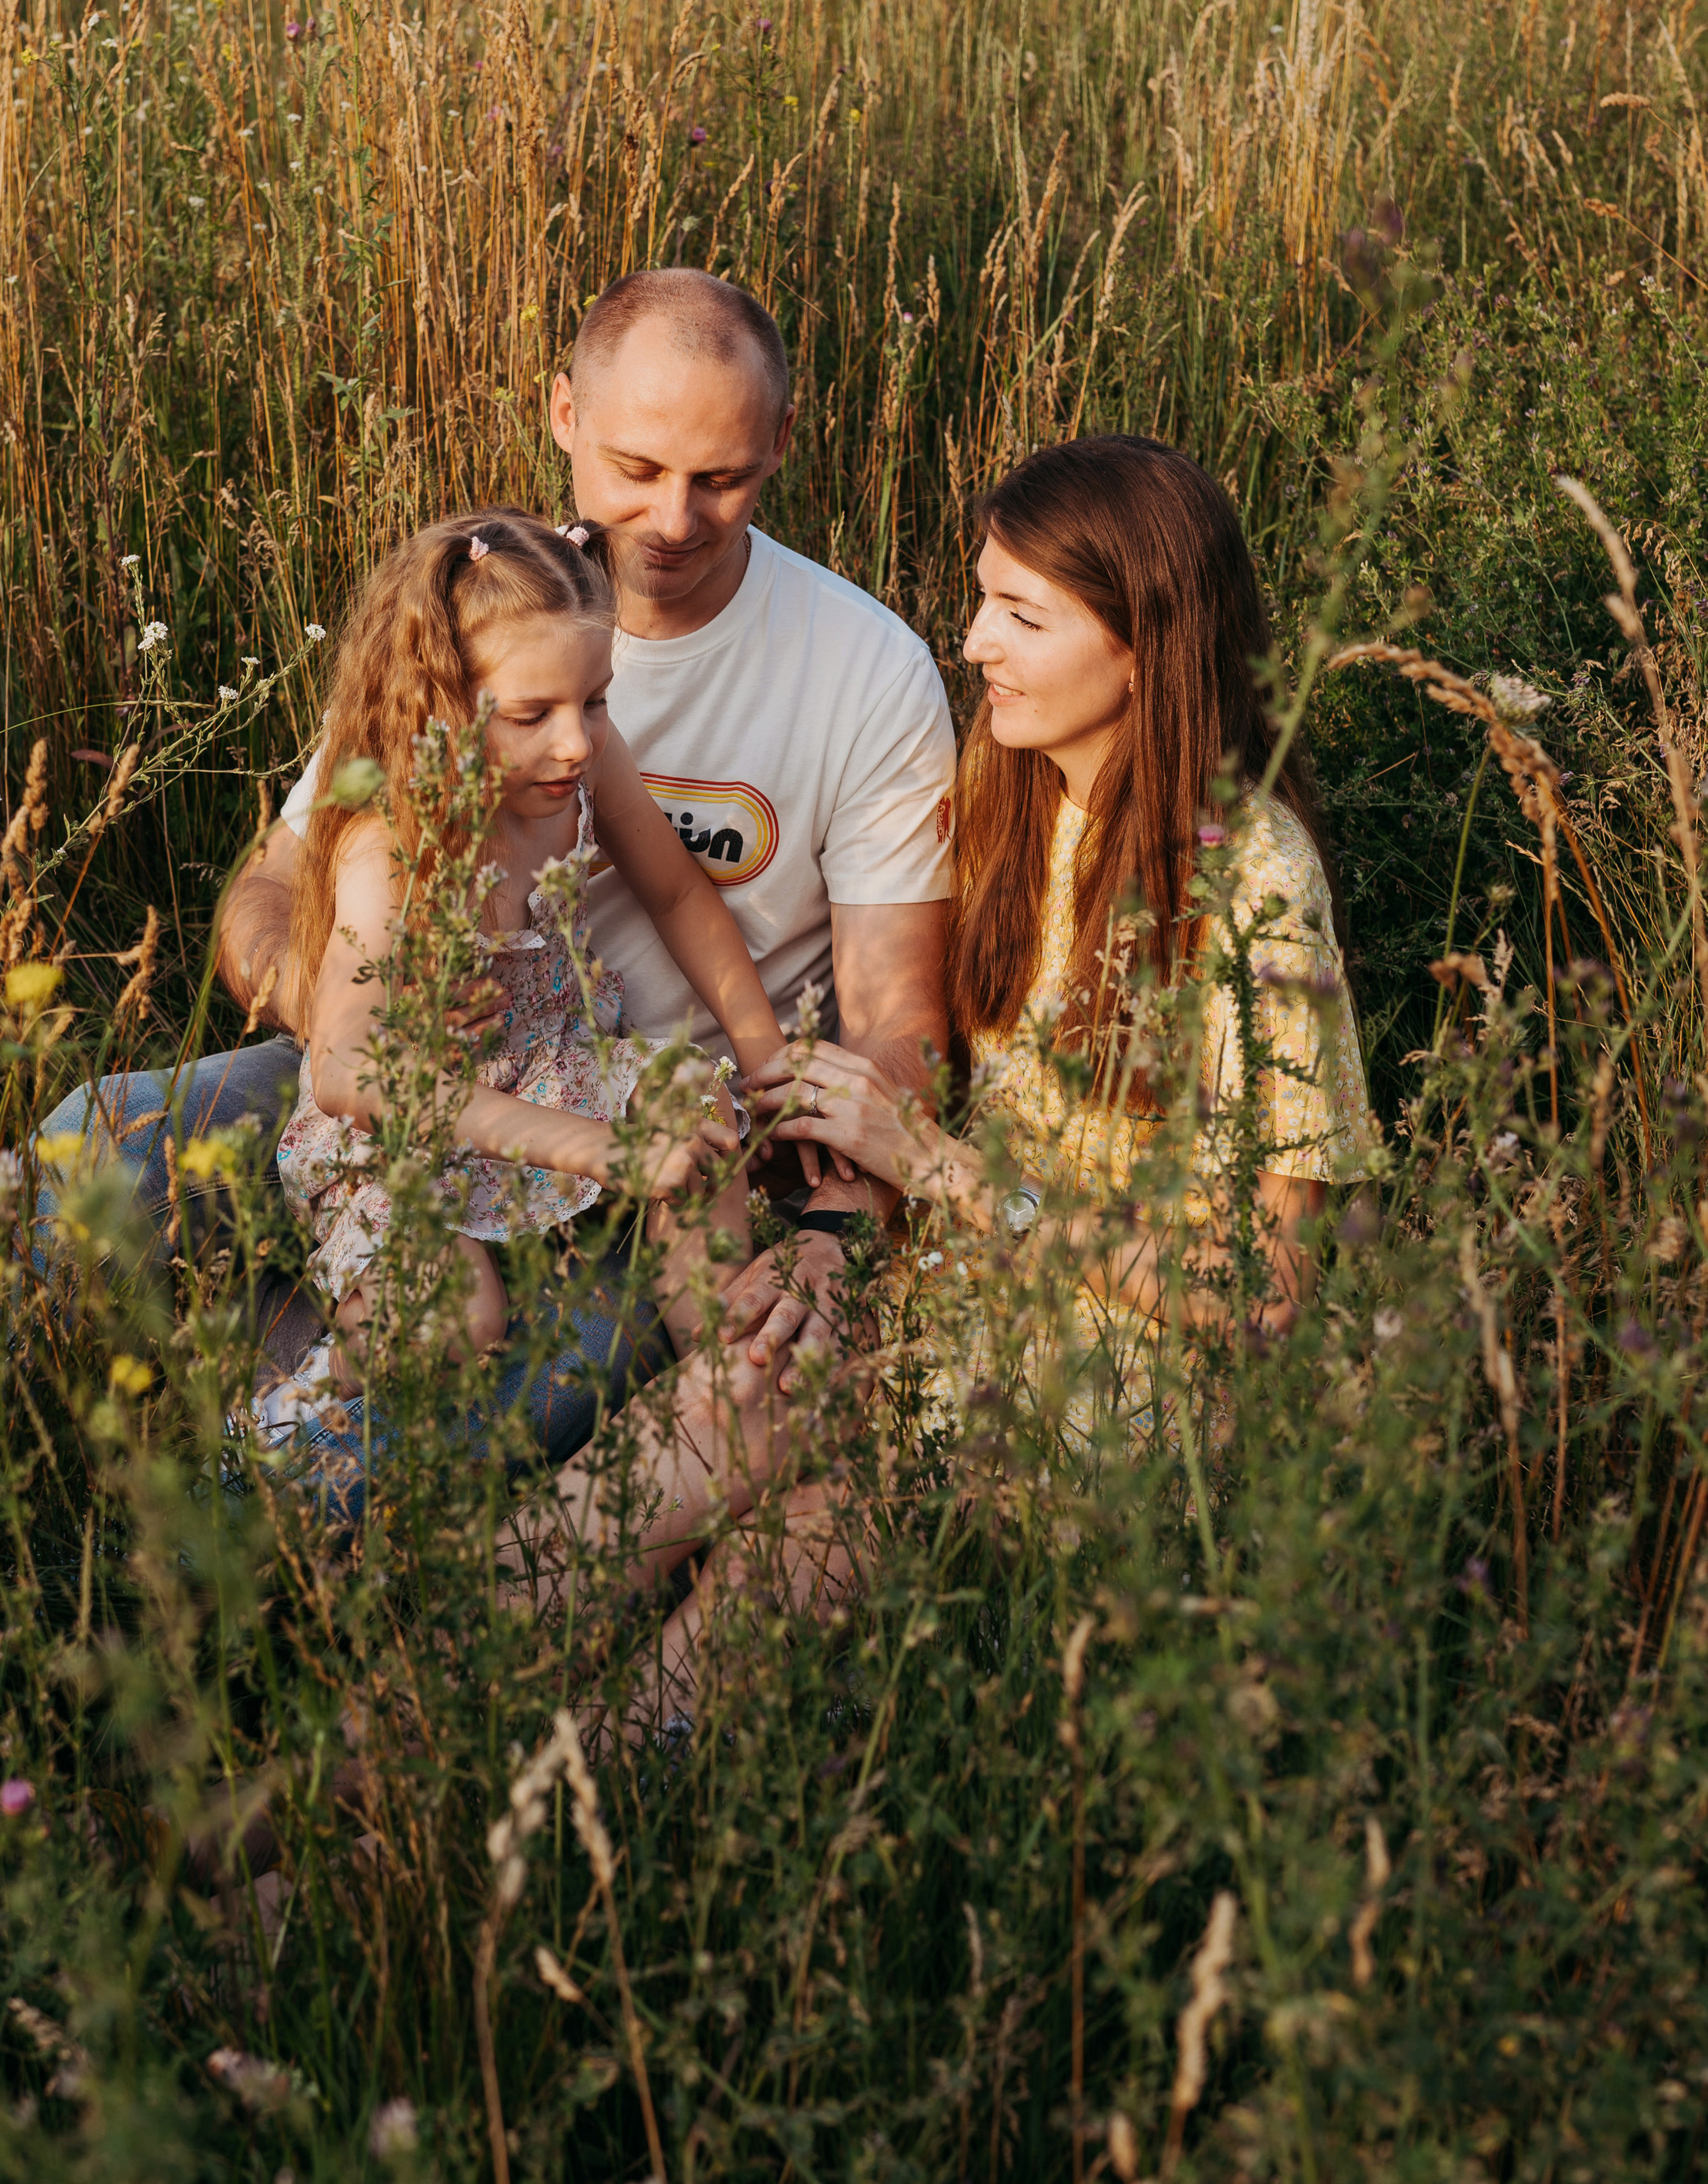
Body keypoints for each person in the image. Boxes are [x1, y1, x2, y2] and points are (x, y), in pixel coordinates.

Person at [206, 266, 956, 1404]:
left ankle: (315, 1429)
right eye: (636, 470)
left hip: (632, 1108)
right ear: (565, 414)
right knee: (91, 1144)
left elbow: (901, 1019)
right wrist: (338, 994)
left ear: (784, 441)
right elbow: (274, 895)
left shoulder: (866, 672)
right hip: (411, 1091)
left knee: (497, 1404)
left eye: (722, 479)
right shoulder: (487, 619)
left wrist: (812, 1173)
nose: (670, 520)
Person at [755, 435, 1370, 1424]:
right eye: (983, 598)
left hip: (1110, 1386)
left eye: (1022, 617)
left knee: (773, 1482)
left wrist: (938, 1171)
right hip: (947, 1302)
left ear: (1147, 651)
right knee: (738, 1397)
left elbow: (1267, 1301)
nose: (971, 643)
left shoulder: (1253, 886)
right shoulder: (1019, 793)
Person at [266, 505, 782, 1405]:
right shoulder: (390, 844)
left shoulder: (580, 762)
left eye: (595, 699)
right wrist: (597, 1149)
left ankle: (723, 1360)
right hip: (404, 1130)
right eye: (532, 714)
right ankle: (294, 1419)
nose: (578, 741)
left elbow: (676, 893)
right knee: (460, 1318)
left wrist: (767, 1065)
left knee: (698, 1103)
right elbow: (348, 1069)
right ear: (434, 706)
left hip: (544, 1068)